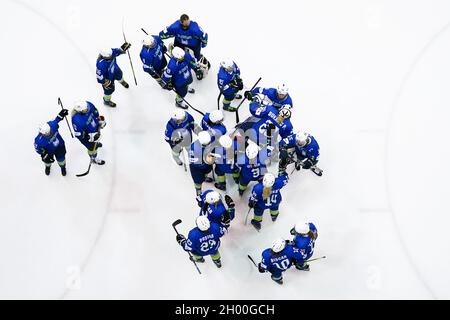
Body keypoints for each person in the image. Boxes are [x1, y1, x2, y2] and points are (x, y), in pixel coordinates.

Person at [159, 13, 209, 80]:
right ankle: (178, 66)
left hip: (193, 45)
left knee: (195, 58)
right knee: (177, 55)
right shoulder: (175, 27)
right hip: (179, 43)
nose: (187, 24)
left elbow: (204, 36)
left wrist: (203, 44)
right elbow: (166, 31)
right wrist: (160, 37)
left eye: (188, 22)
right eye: (185, 23)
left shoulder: (195, 28)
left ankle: (196, 68)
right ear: (181, 22)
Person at [34, 109, 69, 176]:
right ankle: (47, 167)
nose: (49, 133)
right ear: (42, 133)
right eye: (47, 133)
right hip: (49, 152)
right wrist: (44, 154)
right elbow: (38, 149)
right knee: (47, 162)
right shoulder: (38, 140)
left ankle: (63, 167)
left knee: (62, 159)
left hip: (60, 146)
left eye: (49, 131)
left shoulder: (51, 125)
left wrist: (61, 114)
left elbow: (57, 120)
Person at [96, 43, 131, 107]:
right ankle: (107, 101)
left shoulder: (110, 52)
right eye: (109, 57)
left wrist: (122, 48)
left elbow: (116, 51)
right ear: (104, 56)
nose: (112, 56)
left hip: (115, 69)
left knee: (120, 75)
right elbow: (99, 76)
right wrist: (104, 82)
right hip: (108, 78)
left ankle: (121, 81)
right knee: (109, 90)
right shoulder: (101, 65)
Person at [71, 101, 106, 165]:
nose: (87, 110)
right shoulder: (76, 120)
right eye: (85, 110)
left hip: (94, 127)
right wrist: (91, 137)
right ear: (80, 111)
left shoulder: (87, 105)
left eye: (87, 108)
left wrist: (99, 119)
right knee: (92, 148)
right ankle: (93, 158)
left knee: (96, 140)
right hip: (87, 137)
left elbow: (95, 111)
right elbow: (80, 135)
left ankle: (96, 143)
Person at [189, 131, 215, 195]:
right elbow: (195, 163)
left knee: (207, 170)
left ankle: (204, 177)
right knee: (197, 179)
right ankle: (198, 189)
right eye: (205, 145)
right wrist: (207, 162)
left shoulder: (209, 140)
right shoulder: (193, 148)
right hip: (197, 167)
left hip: (207, 161)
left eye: (208, 143)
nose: (207, 145)